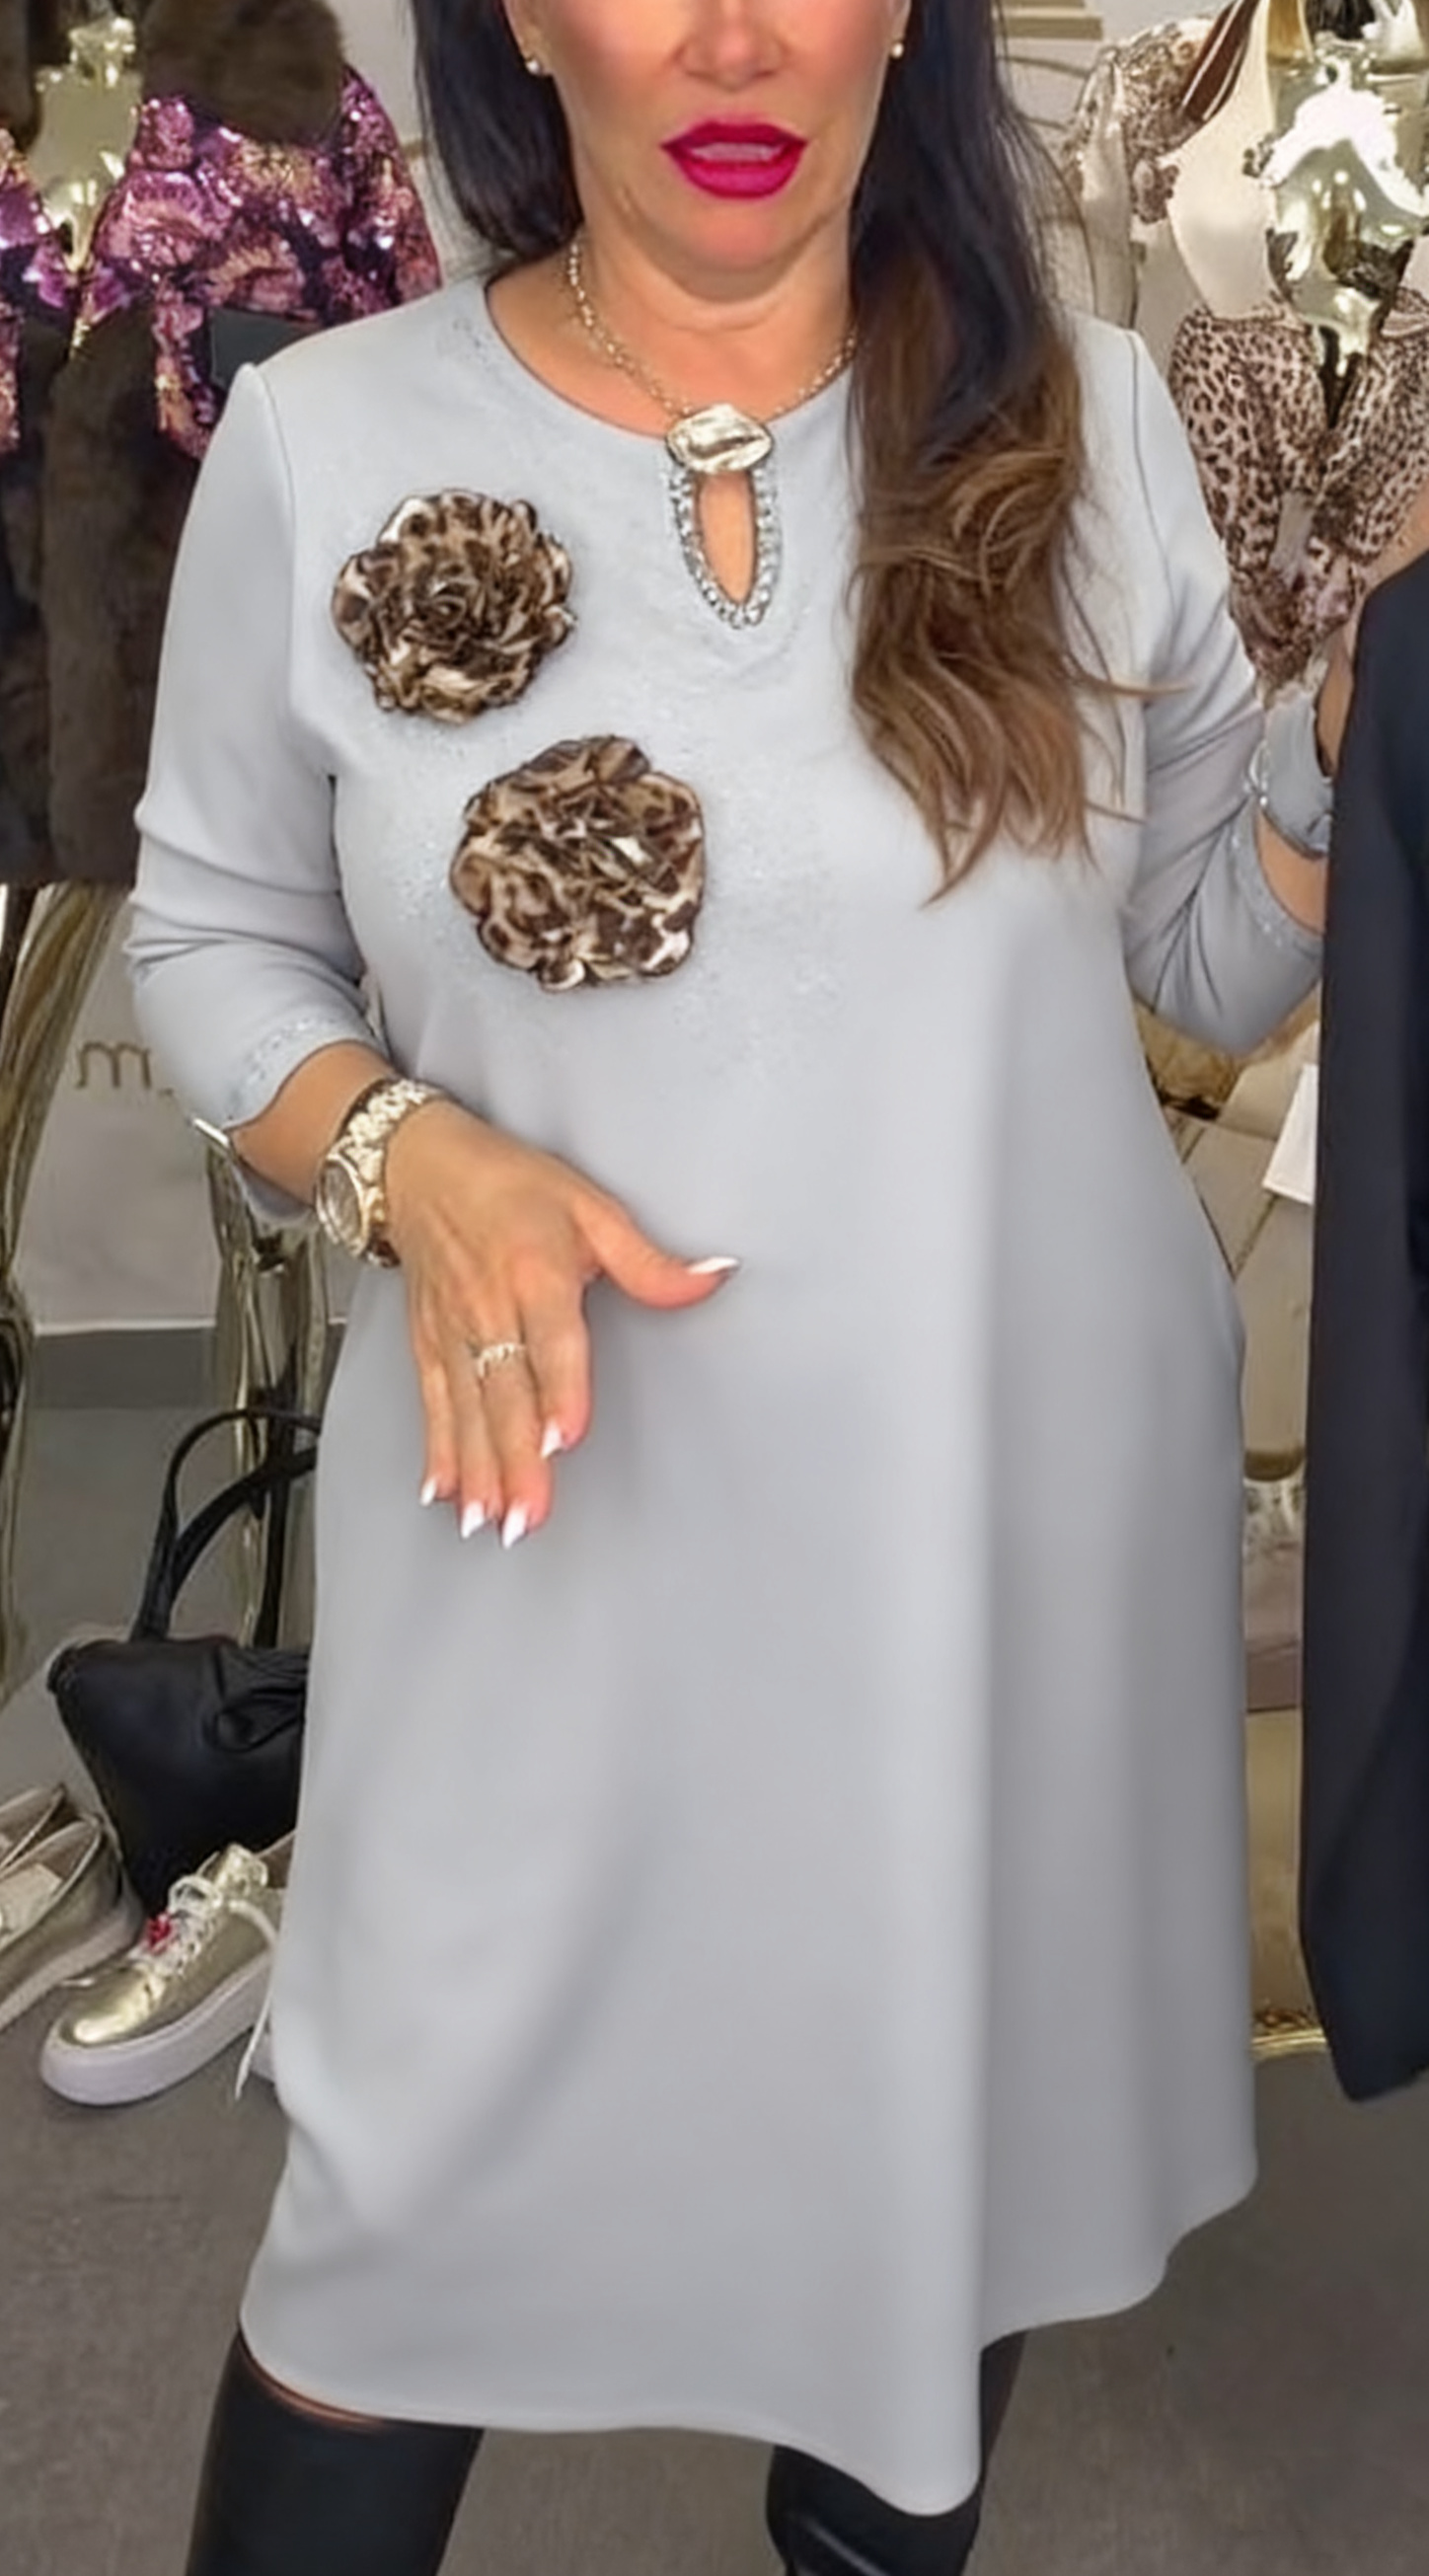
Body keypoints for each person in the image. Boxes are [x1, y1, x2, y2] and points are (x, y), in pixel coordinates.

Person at [127, 4, 1353, 2569]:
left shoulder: (1086, 420)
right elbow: (218, 940)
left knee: (937, 2173)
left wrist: (1347, 743)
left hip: (999, 1536)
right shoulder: (328, 440)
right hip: (551, 1541)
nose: (728, 36)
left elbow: (1210, 960)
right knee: (395, 2232)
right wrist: (411, 1153)